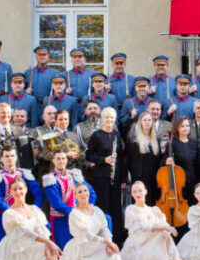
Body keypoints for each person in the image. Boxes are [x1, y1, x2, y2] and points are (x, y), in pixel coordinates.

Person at [61, 183, 144, 260]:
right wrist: (106, 242)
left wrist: (109, 243)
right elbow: (87, 234)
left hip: (97, 244)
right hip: (83, 247)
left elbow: (104, 230)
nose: (83, 194)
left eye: (85, 191)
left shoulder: (96, 211)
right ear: (75, 196)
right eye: (79, 192)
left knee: (113, 254)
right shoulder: (75, 214)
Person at [121, 181, 185, 260]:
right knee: (159, 234)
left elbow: (162, 223)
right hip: (138, 242)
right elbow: (143, 227)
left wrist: (165, 230)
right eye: (135, 192)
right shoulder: (131, 210)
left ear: (145, 192)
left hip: (152, 240)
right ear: (132, 194)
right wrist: (165, 228)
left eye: (140, 191)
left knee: (162, 235)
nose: (138, 194)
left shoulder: (154, 210)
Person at [85, 106, 127, 242]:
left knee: (116, 208)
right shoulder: (96, 135)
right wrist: (103, 160)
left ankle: (116, 239)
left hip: (115, 177)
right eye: (107, 117)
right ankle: (103, 238)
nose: (109, 119)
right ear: (102, 119)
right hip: (100, 177)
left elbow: (121, 157)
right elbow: (88, 156)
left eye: (112, 117)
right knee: (103, 207)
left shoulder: (117, 134)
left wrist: (123, 177)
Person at [0, 146, 43, 244]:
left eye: (12, 156)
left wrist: (33, 209)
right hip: (5, 216)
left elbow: (38, 193)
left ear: (16, 157)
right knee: (6, 247)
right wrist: (14, 212)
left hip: (25, 216)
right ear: (1, 158)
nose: (10, 158)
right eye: (7, 156)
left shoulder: (24, 174)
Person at [42, 149, 93, 250]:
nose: (61, 161)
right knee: (64, 250)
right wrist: (76, 212)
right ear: (53, 161)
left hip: (79, 219)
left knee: (81, 249)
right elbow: (56, 204)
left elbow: (91, 193)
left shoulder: (75, 175)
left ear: (67, 160)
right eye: (58, 159)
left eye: (63, 158)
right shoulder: (50, 179)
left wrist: (86, 208)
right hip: (61, 219)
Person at [127, 112, 164, 204]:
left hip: (153, 177)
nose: (147, 122)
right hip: (139, 177)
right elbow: (127, 160)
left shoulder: (156, 140)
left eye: (149, 120)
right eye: (145, 120)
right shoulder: (133, 140)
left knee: (152, 203)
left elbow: (158, 160)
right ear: (140, 123)